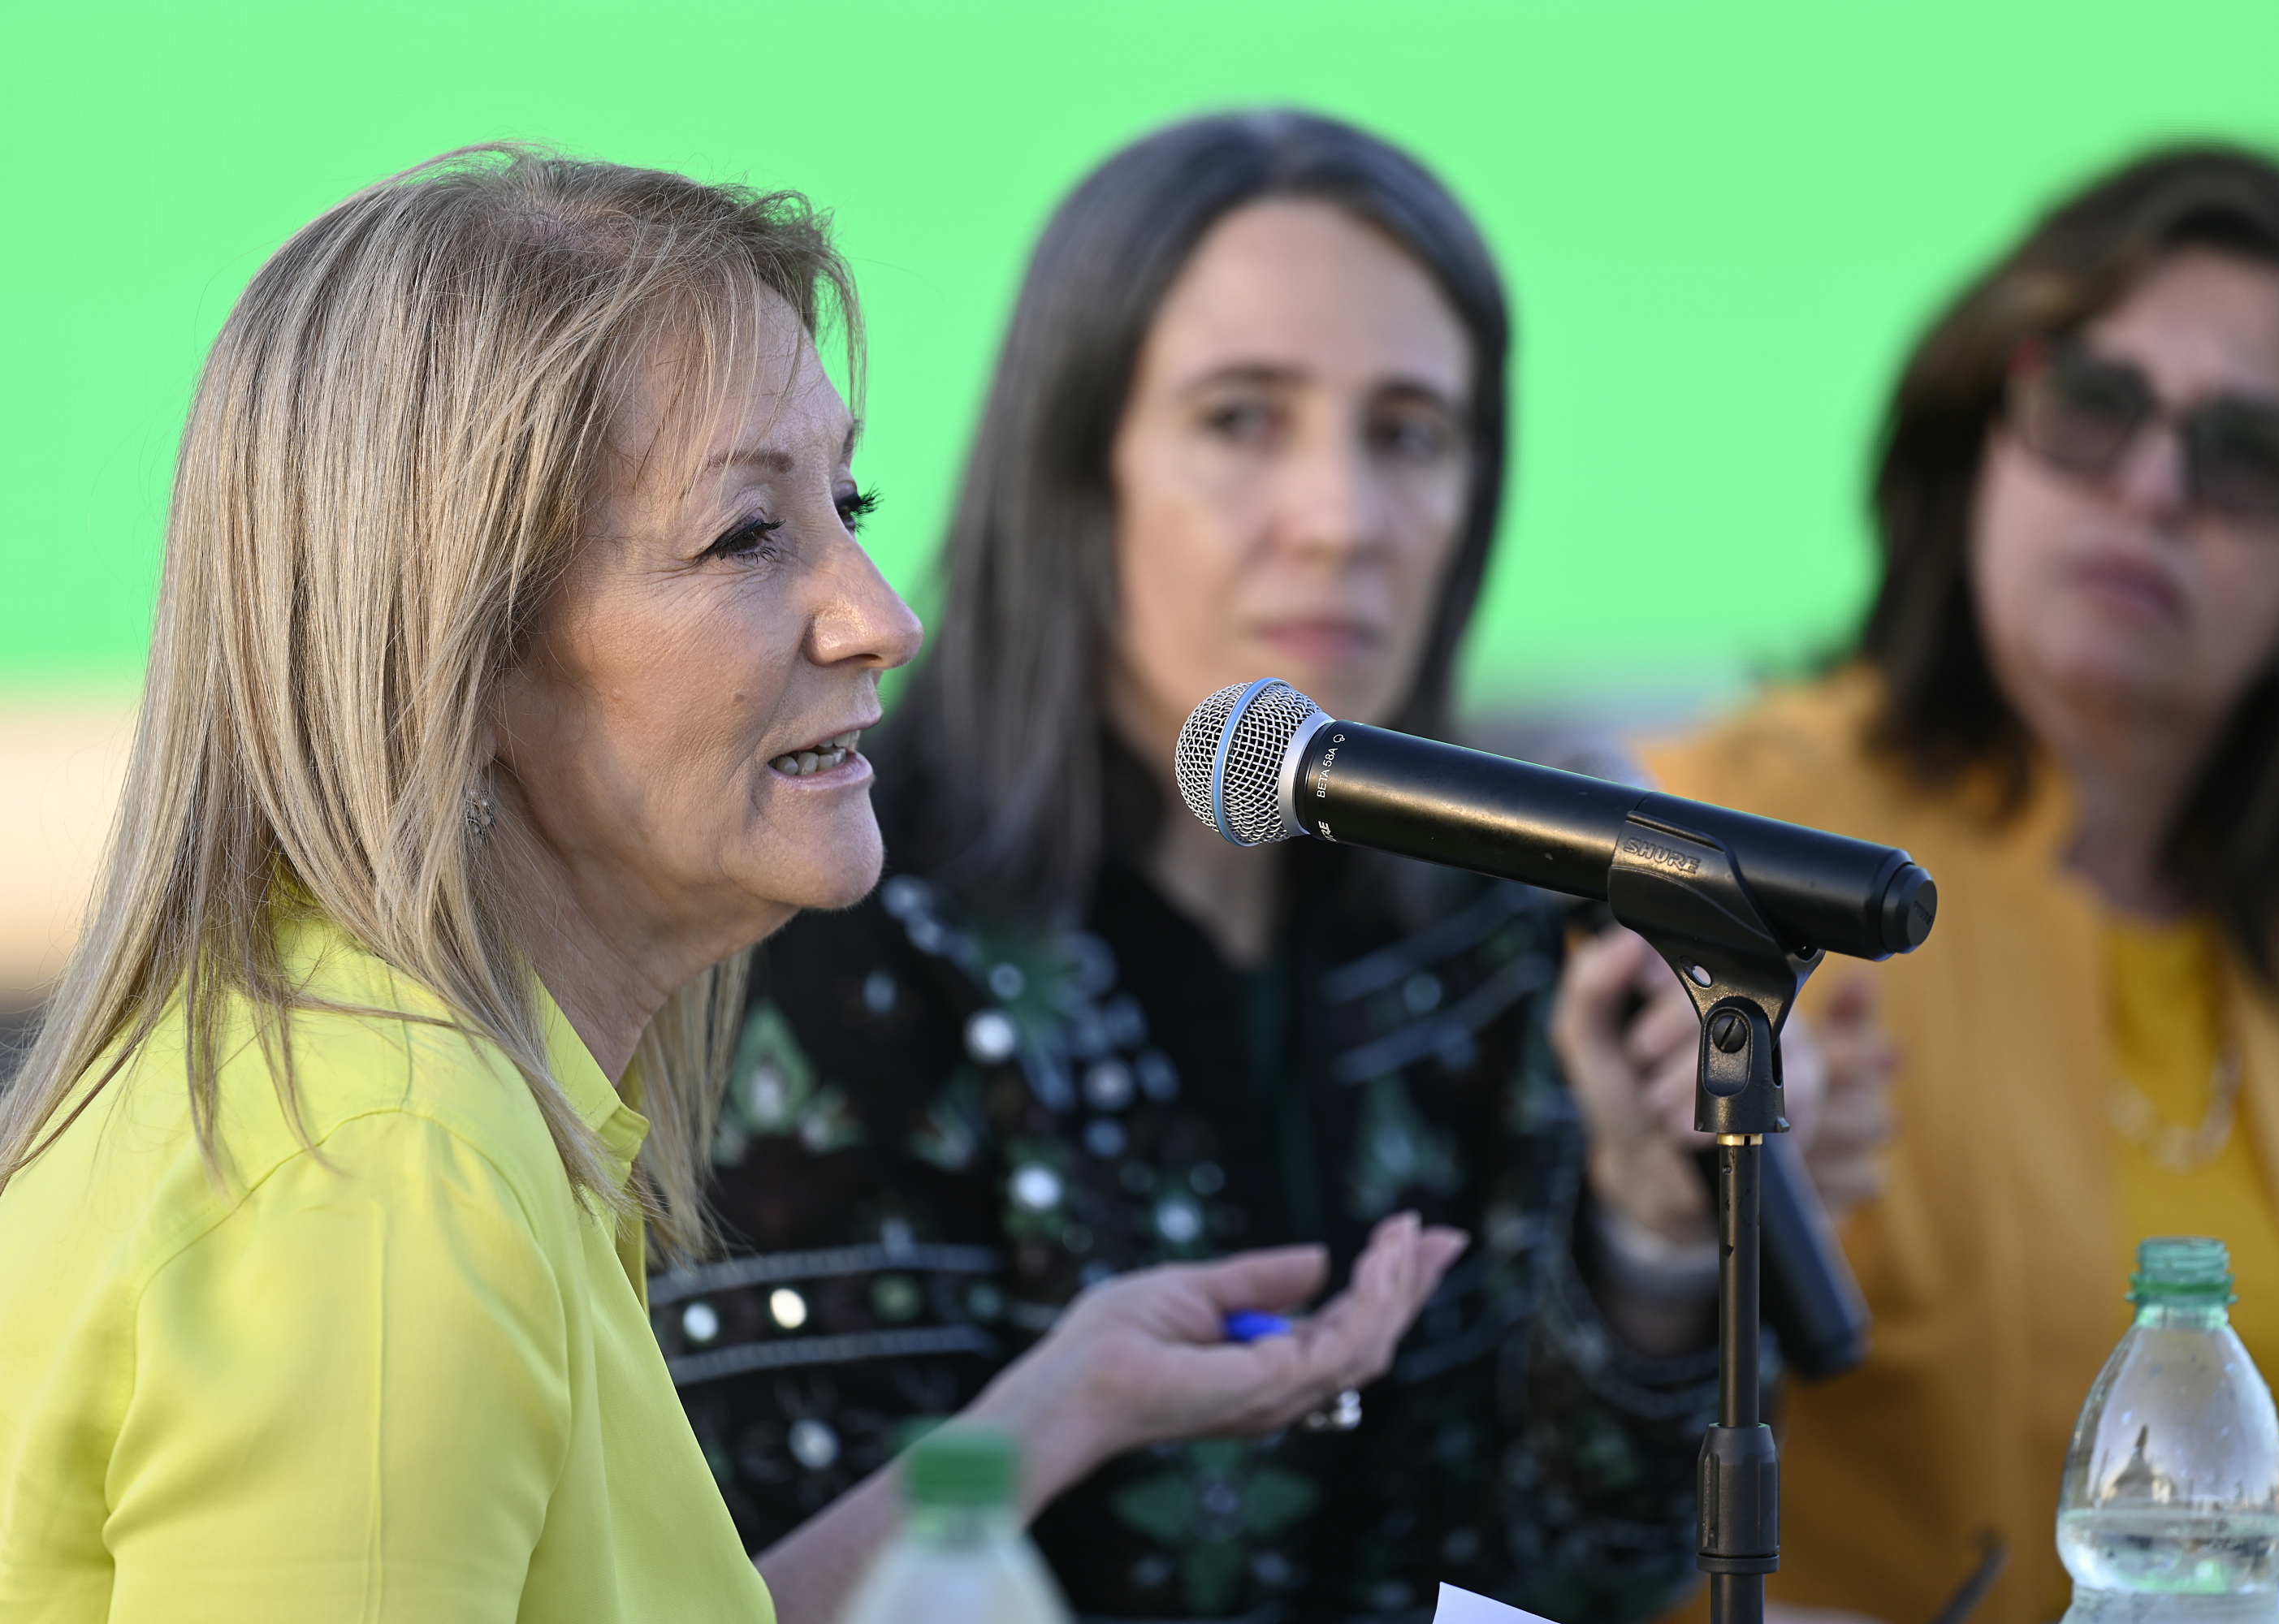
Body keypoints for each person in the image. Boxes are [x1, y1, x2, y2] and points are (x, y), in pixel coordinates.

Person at [0, 145, 1464, 1622]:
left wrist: (1064, 1407)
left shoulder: (404, 1101)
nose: (883, 620)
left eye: (851, 503)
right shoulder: (389, 1174)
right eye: (750, 534)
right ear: (454, 664)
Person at [664, 109, 1889, 1624]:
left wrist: (1650, 1227)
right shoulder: (824, 897)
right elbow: (750, 1581)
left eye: (1409, 435)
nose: (1343, 521)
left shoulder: (1524, 906)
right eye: (1243, 420)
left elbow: (1565, 1574)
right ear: (1075, 468)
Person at [1631, 146, 2279, 1624]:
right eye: (2093, 405)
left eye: (2253, 455)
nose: (2148, 489)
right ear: (1979, 437)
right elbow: (1569, 1414)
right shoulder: (1721, 822)